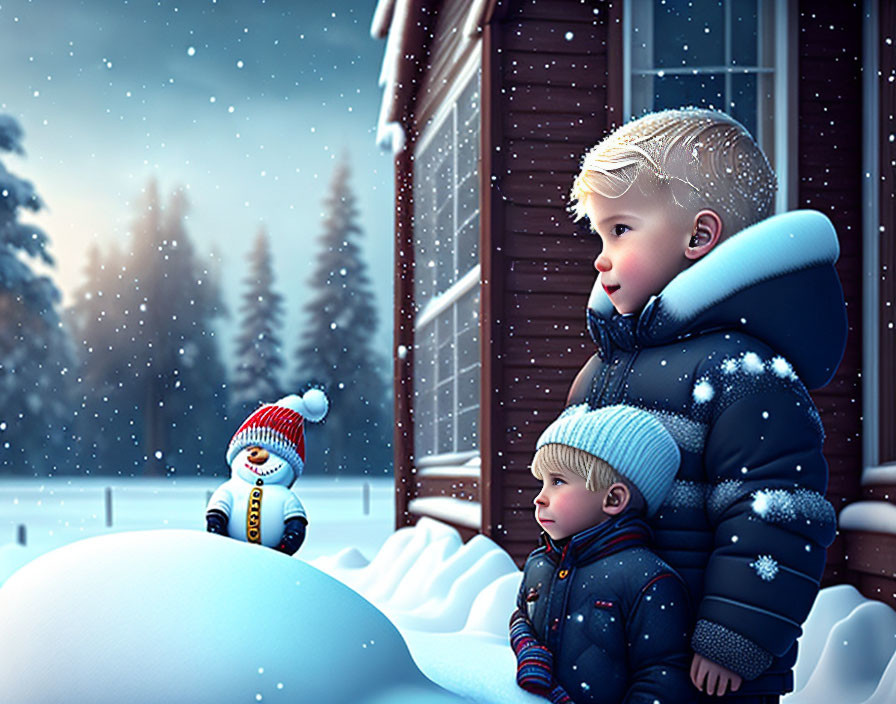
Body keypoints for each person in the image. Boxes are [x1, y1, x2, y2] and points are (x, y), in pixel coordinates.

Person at [565, 108, 845, 702]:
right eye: (598, 235)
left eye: (620, 231)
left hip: (702, 671)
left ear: (698, 236)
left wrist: (730, 639)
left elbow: (776, 510)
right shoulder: (602, 370)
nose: (600, 256)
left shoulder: (744, 375)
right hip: (617, 655)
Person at [510, 403, 692, 704]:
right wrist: (529, 649)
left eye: (557, 482)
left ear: (613, 498)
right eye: (541, 482)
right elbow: (521, 616)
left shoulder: (648, 580)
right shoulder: (540, 564)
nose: (539, 498)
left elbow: (662, 676)